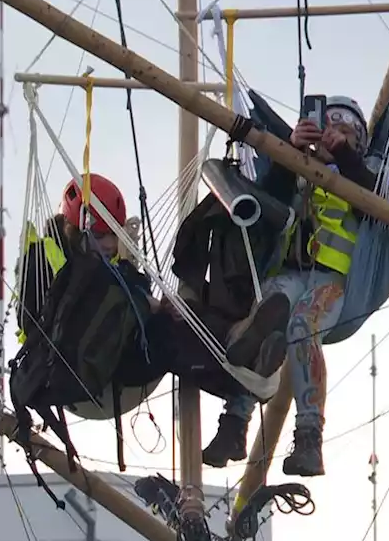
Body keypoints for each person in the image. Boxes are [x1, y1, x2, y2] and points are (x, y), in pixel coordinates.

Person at [201, 95, 379, 476]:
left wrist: (345, 157)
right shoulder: (299, 167)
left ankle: (309, 437)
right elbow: (271, 195)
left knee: (302, 326)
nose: (335, 135)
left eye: (345, 132)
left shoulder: (364, 171)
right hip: (289, 270)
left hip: (331, 280)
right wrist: (291, 150)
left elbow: (374, 201)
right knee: (265, 315)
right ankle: (234, 423)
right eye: (329, 128)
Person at [16, 173, 289, 413]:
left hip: (117, 352)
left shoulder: (112, 265)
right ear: (76, 230)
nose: (111, 243)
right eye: (102, 236)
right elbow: (31, 321)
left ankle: (244, 345)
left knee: (185, 318)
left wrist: (156, 305)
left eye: (114, 233)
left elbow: (129, 299)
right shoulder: (42, 258)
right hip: (76, 370)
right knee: (169, 339)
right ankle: (251, 377)